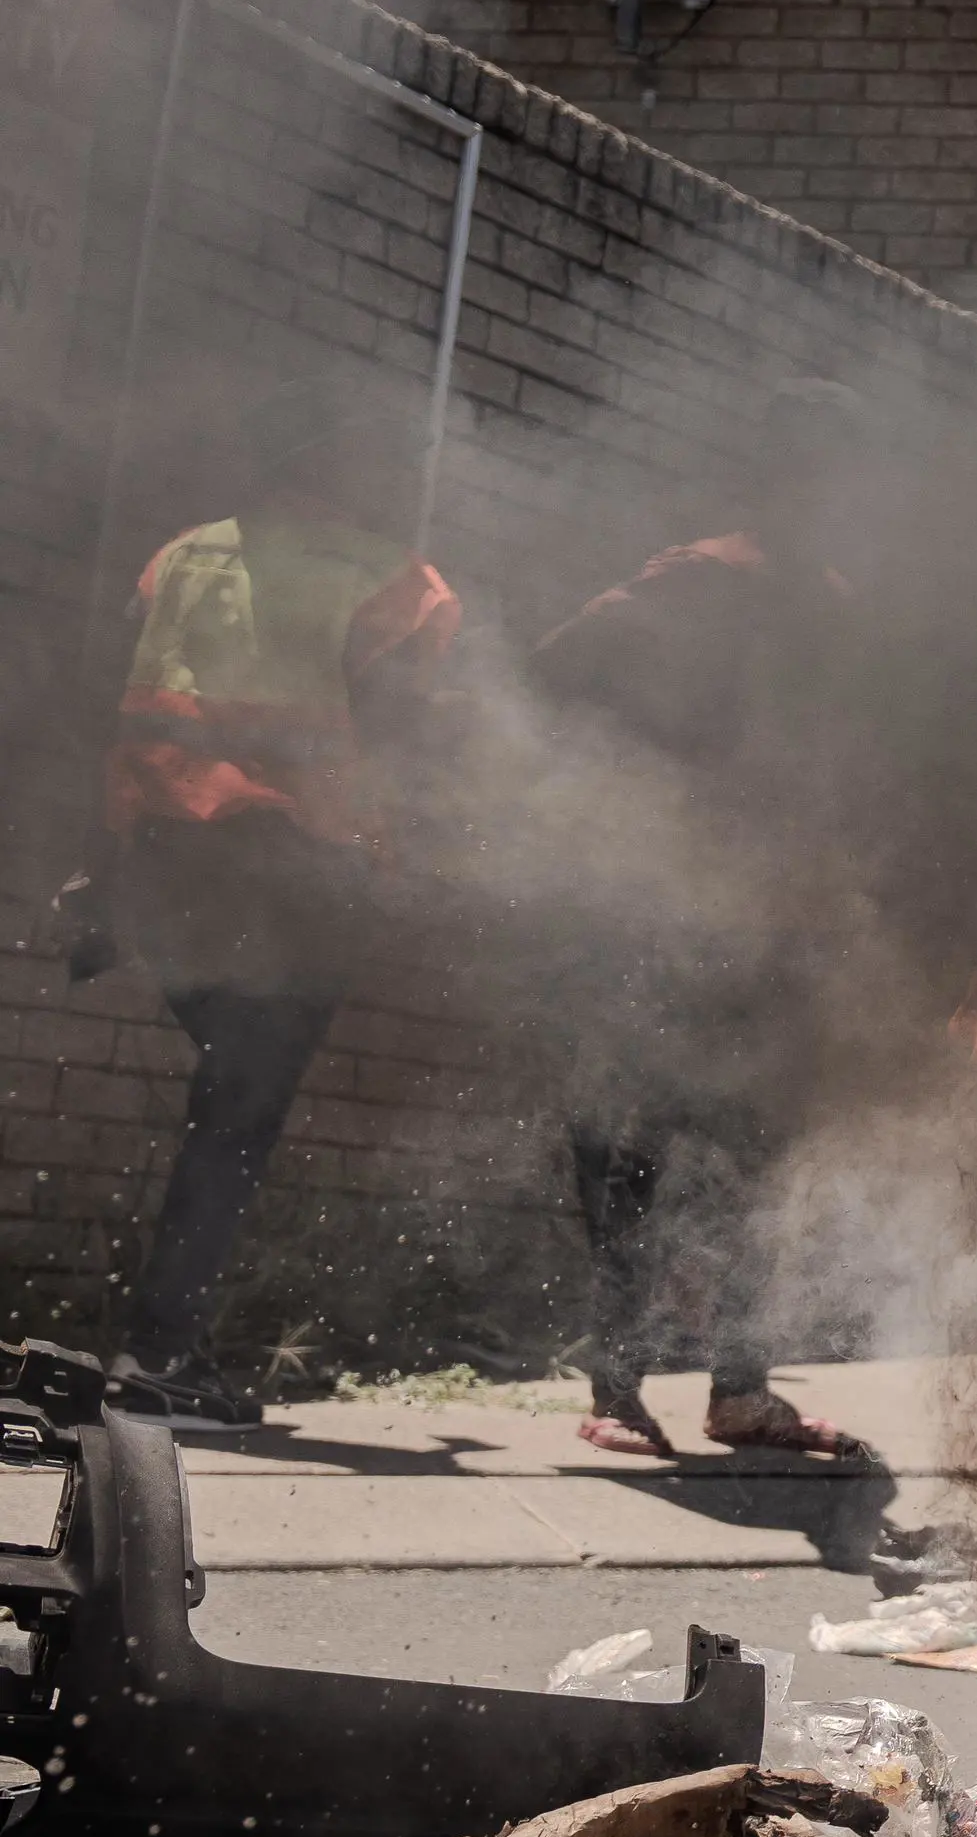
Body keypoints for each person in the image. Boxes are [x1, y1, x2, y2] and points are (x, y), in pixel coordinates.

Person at [87, 376, 459, 1413]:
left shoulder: (183, 553)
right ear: (337, 461)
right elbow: (406, 740)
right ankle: (158, 1353)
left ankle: (161, 1341)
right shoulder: (396, 583)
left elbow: (120, 689)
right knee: (238, 1111)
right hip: (293, 871)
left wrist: (103, 858)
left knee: (226, 1089)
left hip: (165, 857)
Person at [526, 378, 868, 1460]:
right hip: (669, 908)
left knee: (742, 1153)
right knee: (646, 1146)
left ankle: (731, 1393)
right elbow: (559, 668)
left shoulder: (828, 603)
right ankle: (625, 1392)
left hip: (761, 915)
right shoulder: (703, 580)